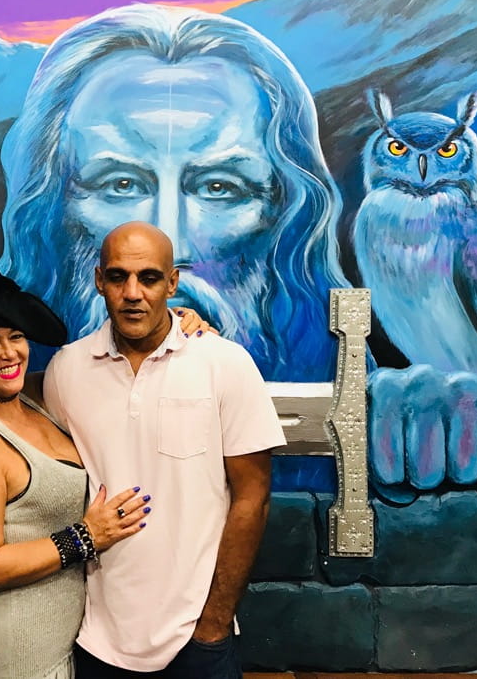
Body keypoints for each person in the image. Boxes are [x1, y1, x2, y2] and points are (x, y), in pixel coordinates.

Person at [0, 3, 349, 382]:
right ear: (51, 210)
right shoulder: (30, 384)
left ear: (285, 211)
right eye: (121, 185)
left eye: (219, 187)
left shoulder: (335, 382)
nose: (169, 244)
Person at [44, 221, 286, 677]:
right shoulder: (66, 370)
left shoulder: (224, 364)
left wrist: (213, 623)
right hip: (96, 636)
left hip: (196, 638)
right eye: (118, 277)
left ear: (172, 283)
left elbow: (253, 498)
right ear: (99, 281)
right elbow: (35, 464)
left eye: (149, 278)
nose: (132, 293)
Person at [0, 258, 153, 679]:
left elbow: (100, 366)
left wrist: (180, 324)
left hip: (51, 653)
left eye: (16, 336)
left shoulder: (33, 397)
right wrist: (87, 536)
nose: (9, 353)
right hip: (3, 661)